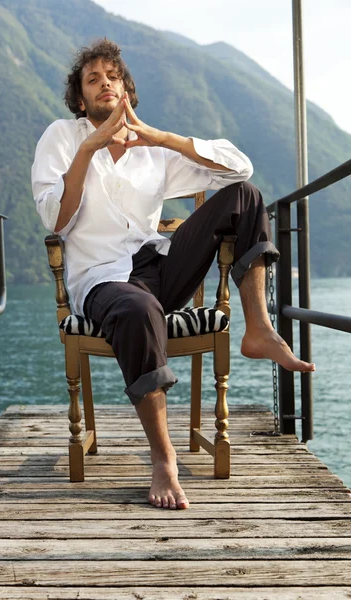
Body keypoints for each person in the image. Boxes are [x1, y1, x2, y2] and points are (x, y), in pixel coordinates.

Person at [32, 39, 315, 511]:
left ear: (126, 91)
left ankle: (260, 329)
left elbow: (239, 169)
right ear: (81, 99)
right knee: (138, 308)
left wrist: (162, 139)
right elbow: (55, 221)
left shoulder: (153, 151)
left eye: (113, 76)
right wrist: (88, 150)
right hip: (103, 282)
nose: (106, 82)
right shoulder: (62, 137)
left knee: (245, 195)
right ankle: (163, 459)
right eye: (94, 78)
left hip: (160, 267)